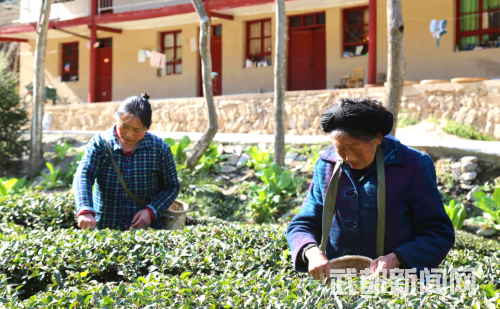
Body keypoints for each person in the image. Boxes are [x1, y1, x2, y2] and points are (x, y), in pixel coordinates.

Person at [286, 97, 455, 281]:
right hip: (337, 286)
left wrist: (397, 258)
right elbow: (301, 225)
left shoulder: (413, 166)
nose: (348, 157)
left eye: (355, 148)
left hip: (397, 287)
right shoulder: (326, 165)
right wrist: (311, 252)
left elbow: (439, 233)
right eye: (340, 148)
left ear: (378, 138)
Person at [74, 93, 180, 230]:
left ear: (147, 128)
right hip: (106, 227)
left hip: (147, 232)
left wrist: (151, 211)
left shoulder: (159, 149)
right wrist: (85, 209)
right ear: (116, 119)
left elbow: (171, 186)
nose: (129, 134)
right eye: (124, 126)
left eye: (137, 130)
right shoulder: (100, 144)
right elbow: (83, 175)